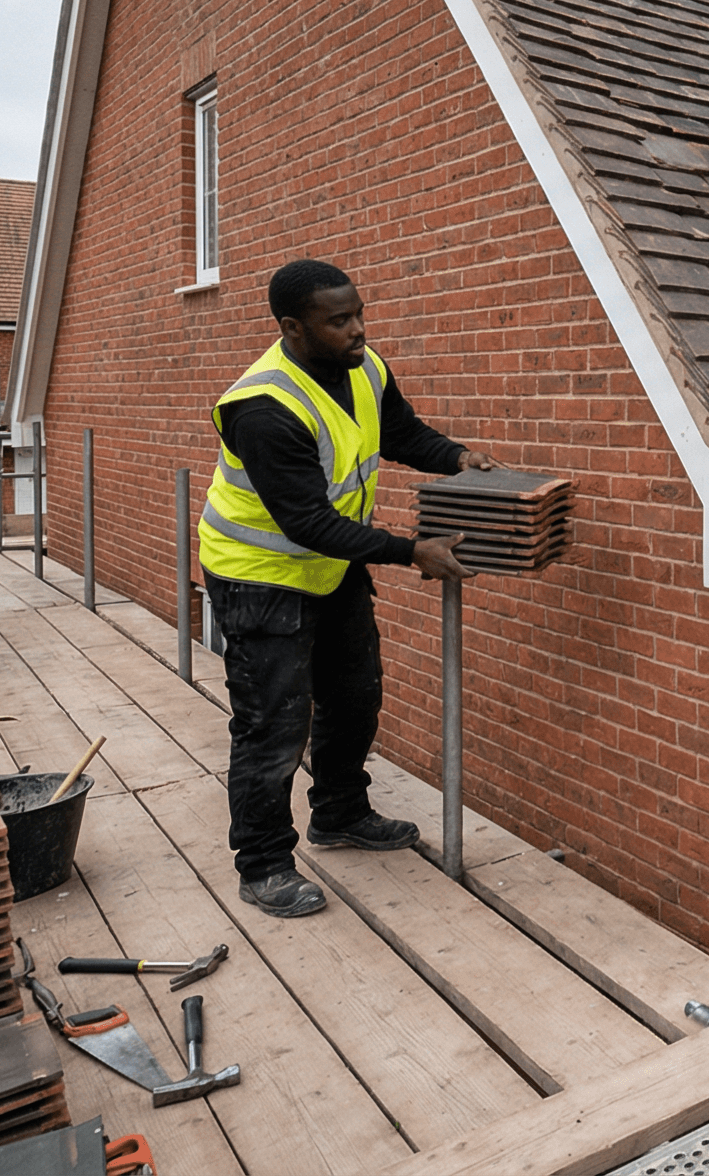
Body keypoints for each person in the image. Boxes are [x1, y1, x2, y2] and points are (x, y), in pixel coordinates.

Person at [195, 260, 496, 919]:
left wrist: (455, 456)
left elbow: (399, 432)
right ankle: (264, 864)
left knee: (355, 695)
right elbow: (307, 522)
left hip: (329, 568)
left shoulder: (365, 367)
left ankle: (340, 813)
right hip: (259, 576)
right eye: (339, 321)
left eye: (359, 313)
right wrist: (410, 550)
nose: (358, 329)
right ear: (293, 328)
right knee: (273, 725)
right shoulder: (263, 408)